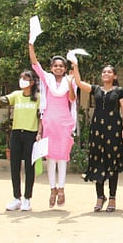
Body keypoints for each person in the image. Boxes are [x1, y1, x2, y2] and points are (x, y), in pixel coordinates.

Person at [74, 64, 123, 213]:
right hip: (97, 130)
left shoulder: (119, 91)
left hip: (114, 129)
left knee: (112, 163)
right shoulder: (96, 89)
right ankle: (100, 196)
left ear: (114, 76)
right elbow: (79, 83)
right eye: (104, 71)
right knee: (97, 161)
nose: (106, 73)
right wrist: (76, 66)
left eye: (109, 72)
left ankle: (112, 197)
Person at [29, 41, 77, 209]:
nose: (58, 68)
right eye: (55, 65)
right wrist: (31, 45)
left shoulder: (70, 81)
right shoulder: (47, 80)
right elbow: (35, 64)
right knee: (50, 158)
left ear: (65, 69)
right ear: (51, 68)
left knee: (62, 157)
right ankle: (52, 189)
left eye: (61, 66)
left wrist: (70, 82)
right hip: (49, 122)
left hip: (64, 122)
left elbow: (72, 99)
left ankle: (61, 188)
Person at [0, 70, 41, 211]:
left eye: (26, 79)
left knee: (29, 167)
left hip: (31, 134)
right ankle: (16, 198)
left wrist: (39, 133)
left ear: (32, 82)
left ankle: (27, 199)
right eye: (21, 78)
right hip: (17, 133)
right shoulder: (16, 95)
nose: (22, 81)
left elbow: (41, 117)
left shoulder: (38, 98)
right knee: (14, 166)